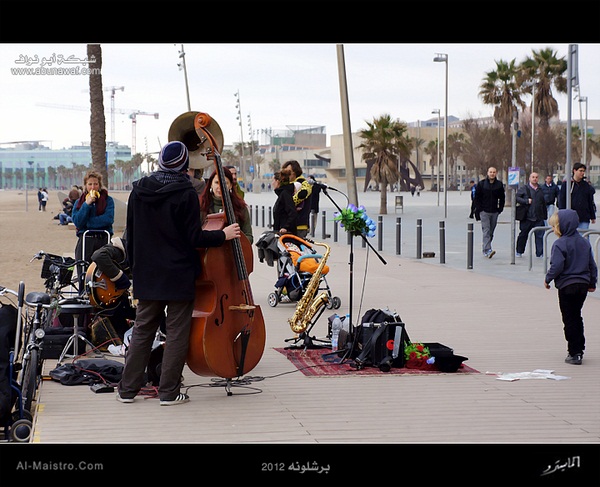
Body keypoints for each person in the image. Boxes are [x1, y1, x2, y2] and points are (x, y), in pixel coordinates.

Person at [117, 141, 240, 406]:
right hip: (178, 274)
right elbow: (193, 237)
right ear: (184, 164)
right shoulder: (185, 192)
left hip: (147, 274)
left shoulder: (138, 190)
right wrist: (222, 235)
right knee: (176, 333)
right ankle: (168, 392)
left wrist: (136, 268)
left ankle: (127, 390)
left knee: (142, 331)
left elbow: (132, 236)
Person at [544, 209, 597, 365]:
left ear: (562, 226)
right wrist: (592, 283)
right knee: (577, 315)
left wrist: (548, 279)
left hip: (567, 286)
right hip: (582, 285)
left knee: (569, 318)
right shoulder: (584, 242)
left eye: (554, 227)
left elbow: (557, 265)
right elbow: (592, 265)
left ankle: (574, 352)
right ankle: (579, 348)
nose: (553, 230)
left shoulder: (560, 244)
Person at [199, 167, 253, 244]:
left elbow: (249, 236)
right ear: (211, 184)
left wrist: (233, 243)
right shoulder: (201, 206)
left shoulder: (240, 207)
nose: (220, 187)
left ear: (230, 185)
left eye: (225, 183)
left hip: (232, 254)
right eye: (217, 182)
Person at [71, 171, 115, 262]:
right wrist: (86, 204)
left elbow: (108, 219)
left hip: (103, 238)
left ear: (99, 185)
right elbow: (78, 221)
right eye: (90, 184)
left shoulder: (108, 200)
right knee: (83, 269)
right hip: (85, 239)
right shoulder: (79, 202)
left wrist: (87, 223)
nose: (93, 187)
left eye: (95, 184)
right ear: (85, 185)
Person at [474, 166, 505, 259]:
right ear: (487, 173)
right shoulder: (481, 184)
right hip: (484, 211)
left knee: (491, 231)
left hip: (494, 211)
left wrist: (500, 209)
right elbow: (477, 198)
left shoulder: (499, 185)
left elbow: (502, 198)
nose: (492, 174)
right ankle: (487, 250)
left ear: (496, 173)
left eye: (494, 172)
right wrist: (479, 210)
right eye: (490, 172)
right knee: (486, 230)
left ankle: (485, 247)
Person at [515, 172, 547, 258]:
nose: (535, 179)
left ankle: (540, 253)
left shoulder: (540, 189)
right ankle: (519, 251)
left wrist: (544, 216)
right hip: (527, 217)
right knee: (523, 235)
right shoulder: (524, 188)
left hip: (538, 217)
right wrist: (526, 201)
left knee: (540, 236)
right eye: (533, 177)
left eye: (536, 177)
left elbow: (543, 203)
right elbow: (516, 198)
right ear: (529, 178)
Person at [557, 162, 596, 230]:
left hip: (584, 217)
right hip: (570, 217)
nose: (582, 173)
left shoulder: (586, 185)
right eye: (580, 171)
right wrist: (562, 215)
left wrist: (592, 216)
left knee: (584, 237)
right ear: (574, 171)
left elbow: (590, 201)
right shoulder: (567, 184)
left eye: (583, 171)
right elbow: (561, 200)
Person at [281, 160, 312, 238]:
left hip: (299, 225)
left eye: (289, 172)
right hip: (291, 225)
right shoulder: (290, 184)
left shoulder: (302, 183)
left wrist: (285, 204)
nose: (286, 175)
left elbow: (302, 195)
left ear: (295, 172)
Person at [272, 170, 297, 236]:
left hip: (285, 234)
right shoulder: (282, 194)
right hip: (280, 232)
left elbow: (292, 212)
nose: (272, 183)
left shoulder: (285, 194)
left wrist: (285, 227)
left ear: (277, 182)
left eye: (273, 181)